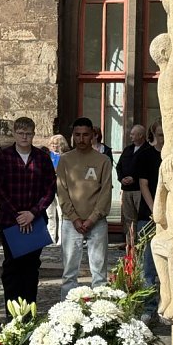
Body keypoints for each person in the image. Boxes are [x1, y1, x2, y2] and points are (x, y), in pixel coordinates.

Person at [0, 117, 56, 314]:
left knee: (31, 268)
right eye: (21, 133)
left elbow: (50, 189)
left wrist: (33, 213)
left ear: (34, 134)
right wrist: (18, 215)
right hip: (11, 221)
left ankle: (29, 311)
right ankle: (13, 314)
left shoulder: (42, 158)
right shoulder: (3, 157)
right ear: (14, 134)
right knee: (12, 268)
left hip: (35, 221)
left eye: (28, 133)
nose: (24, 137)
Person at [57, 117, 113, 301]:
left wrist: (92, 218)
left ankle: (101, 310)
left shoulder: (103, 160)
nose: (81, 139)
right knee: (69, 273)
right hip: (70, 222)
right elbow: (62, 190)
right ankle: (67, 309)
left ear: (93, 135)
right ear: (72, 136)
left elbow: (105, 192)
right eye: (77, 135)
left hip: (96, 223)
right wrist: (74, 217)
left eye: (85, 135)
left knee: (99, 273)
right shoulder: (65, 160)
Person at [135, 120, 163, 322]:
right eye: (160, 135)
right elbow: (143, 185)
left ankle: (167, 306)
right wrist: (155, 210)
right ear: (154, 135)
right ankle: (149, 306)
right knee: (148, 265)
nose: (163, 139)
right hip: (149, 216)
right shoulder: (146, 155)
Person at [116, 125, 148, 241]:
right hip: (126, 190)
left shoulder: (148, 150)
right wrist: (121, 179)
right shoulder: (127, 150)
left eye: (133, 134)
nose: (130, 136)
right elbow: (119, 166)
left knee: (141, 218)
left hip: (140, 190)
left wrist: (134, 178)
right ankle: (130, 243)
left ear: (141, 135)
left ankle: (141, 243)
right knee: (128, 218)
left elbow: (147, 169)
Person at [45, 135, 70, 245]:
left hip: (61, 187)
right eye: (52, 144)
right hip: (49, 187)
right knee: (50, 214)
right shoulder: (47, 155)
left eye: (56, 144)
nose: (54, 146)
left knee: (61, 214)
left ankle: (61, 237)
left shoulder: (66, 157)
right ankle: (51, 237)